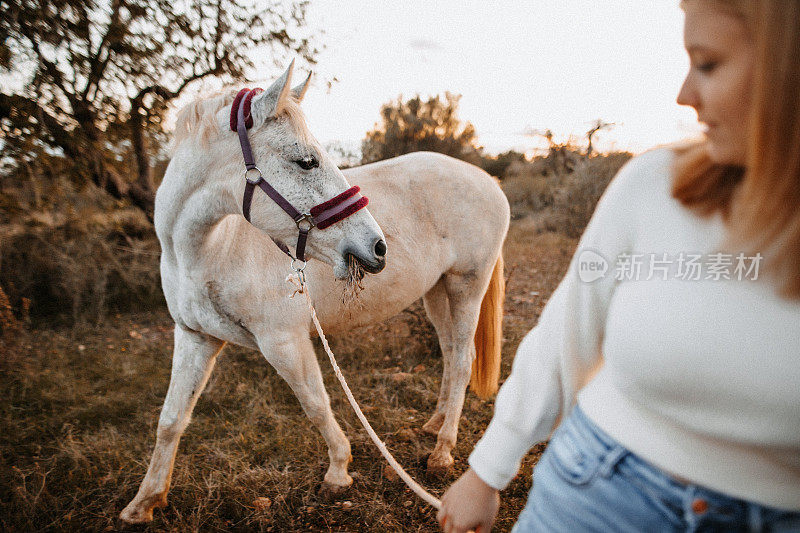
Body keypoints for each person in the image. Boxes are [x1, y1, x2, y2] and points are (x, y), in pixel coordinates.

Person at [437, 1, 800, 531]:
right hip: (600, 493)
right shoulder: (657, 186)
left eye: (708, 64)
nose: (684, 96)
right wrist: (486, 471)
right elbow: (566, 332)